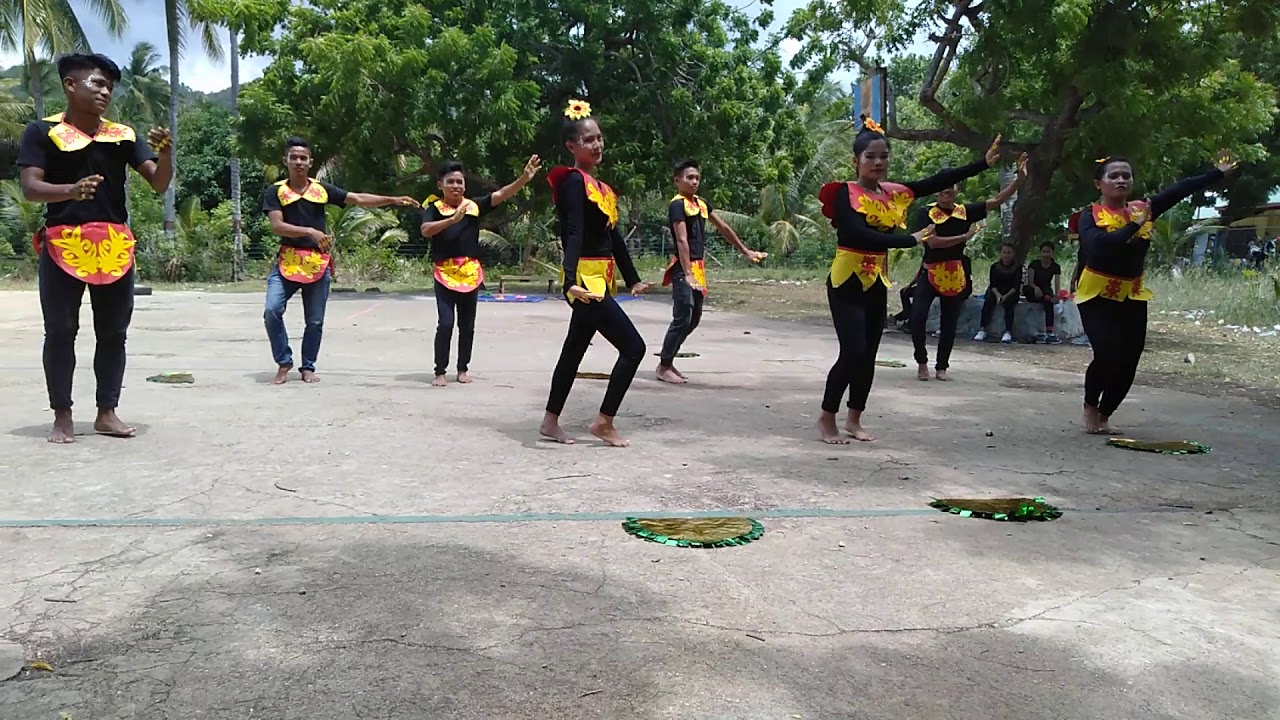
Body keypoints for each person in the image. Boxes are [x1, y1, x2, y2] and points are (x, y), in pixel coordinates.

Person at [17, 53, 174, 444]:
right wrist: (70, 190)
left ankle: (107, 412)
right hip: (63, 243)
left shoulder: (122, 135)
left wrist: (166, 155)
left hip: (114, 245)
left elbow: (158, 183)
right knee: (60, 331)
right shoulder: (42, 132)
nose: (105, 92)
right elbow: (31, 188)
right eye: (97, 83)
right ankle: (62, 415)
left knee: (113, 333)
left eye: (110, 87)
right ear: (70, 85)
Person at [815, 116, 1001, 444]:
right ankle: (827, 416)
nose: (878, 162)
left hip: (876, 280)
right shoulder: (846, 193)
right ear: (856, 160)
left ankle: (854, 419)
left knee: (869, 353)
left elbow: (937, 180)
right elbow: (860, 234)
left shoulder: (893, 193)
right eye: (870, 157)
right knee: (853, 350)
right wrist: (910, 239)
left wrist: (981, 164)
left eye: (884, 156)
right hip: (847, 280)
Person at [1076, 152, 1236, 434]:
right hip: (1097, 294)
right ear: (1098, 184)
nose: (1121, 180)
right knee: (1107, 352)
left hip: (1132, 294)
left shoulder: (1144, 208)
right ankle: (1090, 404)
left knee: (1130, 357)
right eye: (1114, 176)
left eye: (1126, 175)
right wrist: (1134, 225)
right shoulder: (1090, 216)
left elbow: (1180, 189)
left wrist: (1217, 173)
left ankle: (1105, 413)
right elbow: (1100, 247)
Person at [539, 100, 653, 448]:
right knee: (634, 348)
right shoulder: (574, 182)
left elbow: (612, 237)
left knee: (574, 350)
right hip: (586, 283)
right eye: (588, 140)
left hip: (600, 278)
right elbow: (572, 231)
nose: (597, 144)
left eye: (599, 138)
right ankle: (604, 422)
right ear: (571, 146)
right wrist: (570, 281)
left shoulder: (601, 188)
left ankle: (549, 422)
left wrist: (632, 278)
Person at [262, 137, 419, 385]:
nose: (298, 162)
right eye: (294, 157)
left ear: (310, 162)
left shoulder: (321, 190)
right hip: (288, 260)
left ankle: (308, 367)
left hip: (318, 262)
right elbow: (277, 226)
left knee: (315, 321)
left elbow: (358, 198)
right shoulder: (276, 191)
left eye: (303, 158)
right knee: (272, 310)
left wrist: (393, 199)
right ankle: (284, 362)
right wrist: (310, 232)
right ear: (285, 161)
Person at [420, 156, 542, 387]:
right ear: (440, 185)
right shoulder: (433, 208)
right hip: (444, 273)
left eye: (459, 182)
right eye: (450, 181)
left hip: (470, 273)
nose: (456, 186)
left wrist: (524, 179)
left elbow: (502, 194)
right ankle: (440, 371)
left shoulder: (474, 206)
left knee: (467, 325)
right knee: (446, 323)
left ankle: (462, 369)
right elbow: (426, 230)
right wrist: (452, 220)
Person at [910, 156, 1027, 381]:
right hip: (930, 270)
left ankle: (941, 366)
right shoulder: (926, 213)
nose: (947, 190)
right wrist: (964, 237)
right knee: (917, 317)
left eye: (951, 186)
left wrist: (1019, 180)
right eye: (942, 186)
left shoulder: (965, 211)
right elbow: (932, 242)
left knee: (949, 322)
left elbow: (997, 200)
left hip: (955, 272)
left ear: (957, 189)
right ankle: (921, 361)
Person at [656, 159, 767, 384]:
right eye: (689, 178)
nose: (694, 182)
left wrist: (745, 251)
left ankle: (669, 360)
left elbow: (723, 228)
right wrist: (687, 273)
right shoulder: (677, 205)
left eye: (697, 178)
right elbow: (682, 240)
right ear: (677, 180)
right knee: (683, 316)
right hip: (683, 267)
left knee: (694, 318)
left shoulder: (702, 203)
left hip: (698, 267)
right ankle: (664, 365)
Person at [975, 244, 1022, 344]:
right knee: (988, 300)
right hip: (996, 290)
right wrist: (998, 295)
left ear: (1013, 254)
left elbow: (1016, 286)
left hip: (1011, 292)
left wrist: (1006, 296)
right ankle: (982, 330)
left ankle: (1008, 332)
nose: (1006, 255)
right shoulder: (995, 267)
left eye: (1009, 253)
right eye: (1004, 252)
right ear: (1001, 254)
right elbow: (993, 284)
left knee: (1009, 303)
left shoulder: (1017, 268)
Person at [1024, 241, 1062, 344]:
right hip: (1032, 288)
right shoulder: (1034, 264)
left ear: (1052, 253)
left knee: (1048, 302)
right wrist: (1035, 288)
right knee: (1038, 296)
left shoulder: (1055, 267)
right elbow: (1030, 281)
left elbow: (1057, 283)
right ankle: (1038, 333)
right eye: (1044, 252)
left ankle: (1049, 332)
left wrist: (1056, 295)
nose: (1046, 254)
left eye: (1048, 252)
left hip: (1045, 289)